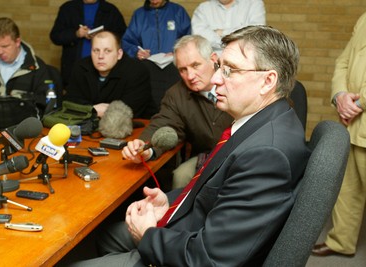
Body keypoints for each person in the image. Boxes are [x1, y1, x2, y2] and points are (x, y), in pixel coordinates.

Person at [69, 25, 310, 266]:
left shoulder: (266, 154)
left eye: (230, 70)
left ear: (268, 81)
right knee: (109, 237)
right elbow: (214, 193)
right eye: (220, 69)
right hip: (195, 226)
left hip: (191, 249)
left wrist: (148, 235)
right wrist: (169, 202)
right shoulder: (264, 121)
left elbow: (208, 258)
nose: (215, 79)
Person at [122, 34, 233, 189]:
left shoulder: (236, 81)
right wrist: (144, 148)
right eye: (183, 70)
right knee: (180, 175)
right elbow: (163, 124)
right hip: (207, 156)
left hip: (242, 152)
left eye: (195, 65)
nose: (190, 76)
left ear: (213, 59)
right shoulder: (176, 94)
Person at [312, 12, 366, 258]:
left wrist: (358, 103)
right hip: (353, 121)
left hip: (358, 112)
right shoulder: (363, 17)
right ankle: (341, 241)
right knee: (348, 186)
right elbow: (344, 61)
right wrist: (340, 96)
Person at [63, 31, 152, 119]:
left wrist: (89, 110)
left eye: (107, 51)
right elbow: (70, 103)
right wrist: (93, 110)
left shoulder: (137, 71)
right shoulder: (81, 67)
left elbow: (131, 109)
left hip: (131, 127)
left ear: (119, 54)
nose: (100, 56)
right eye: (96, 50)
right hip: (85, 126)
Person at [0, 17, 51, 115]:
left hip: (20, 126)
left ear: (17, 42)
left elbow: (45, 103)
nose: (0, 52)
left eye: (5, 46)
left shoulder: (37, 67)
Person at [50, 0, 126, 87]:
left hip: (104, 70)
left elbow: (122, 37)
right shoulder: (68, 8)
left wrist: (103, 36)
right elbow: (55, 36)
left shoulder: (110, 10)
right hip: (73, 68)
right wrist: (76, 34)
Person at [122, 0, 191, 60]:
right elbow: (127, 41)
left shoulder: (178, 11)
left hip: (174, 63)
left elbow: (189, 38)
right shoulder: (139, 14)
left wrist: (177, 53)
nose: (154, 2)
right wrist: (137, 52)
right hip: (147, 64)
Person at [191, 0, 266, 54]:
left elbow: (256, 32)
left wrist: (222, 32)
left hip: (245, 63)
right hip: (212, 65)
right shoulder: (203, 8)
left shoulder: (255, 4)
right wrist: (236, 39)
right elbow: (200, 38)